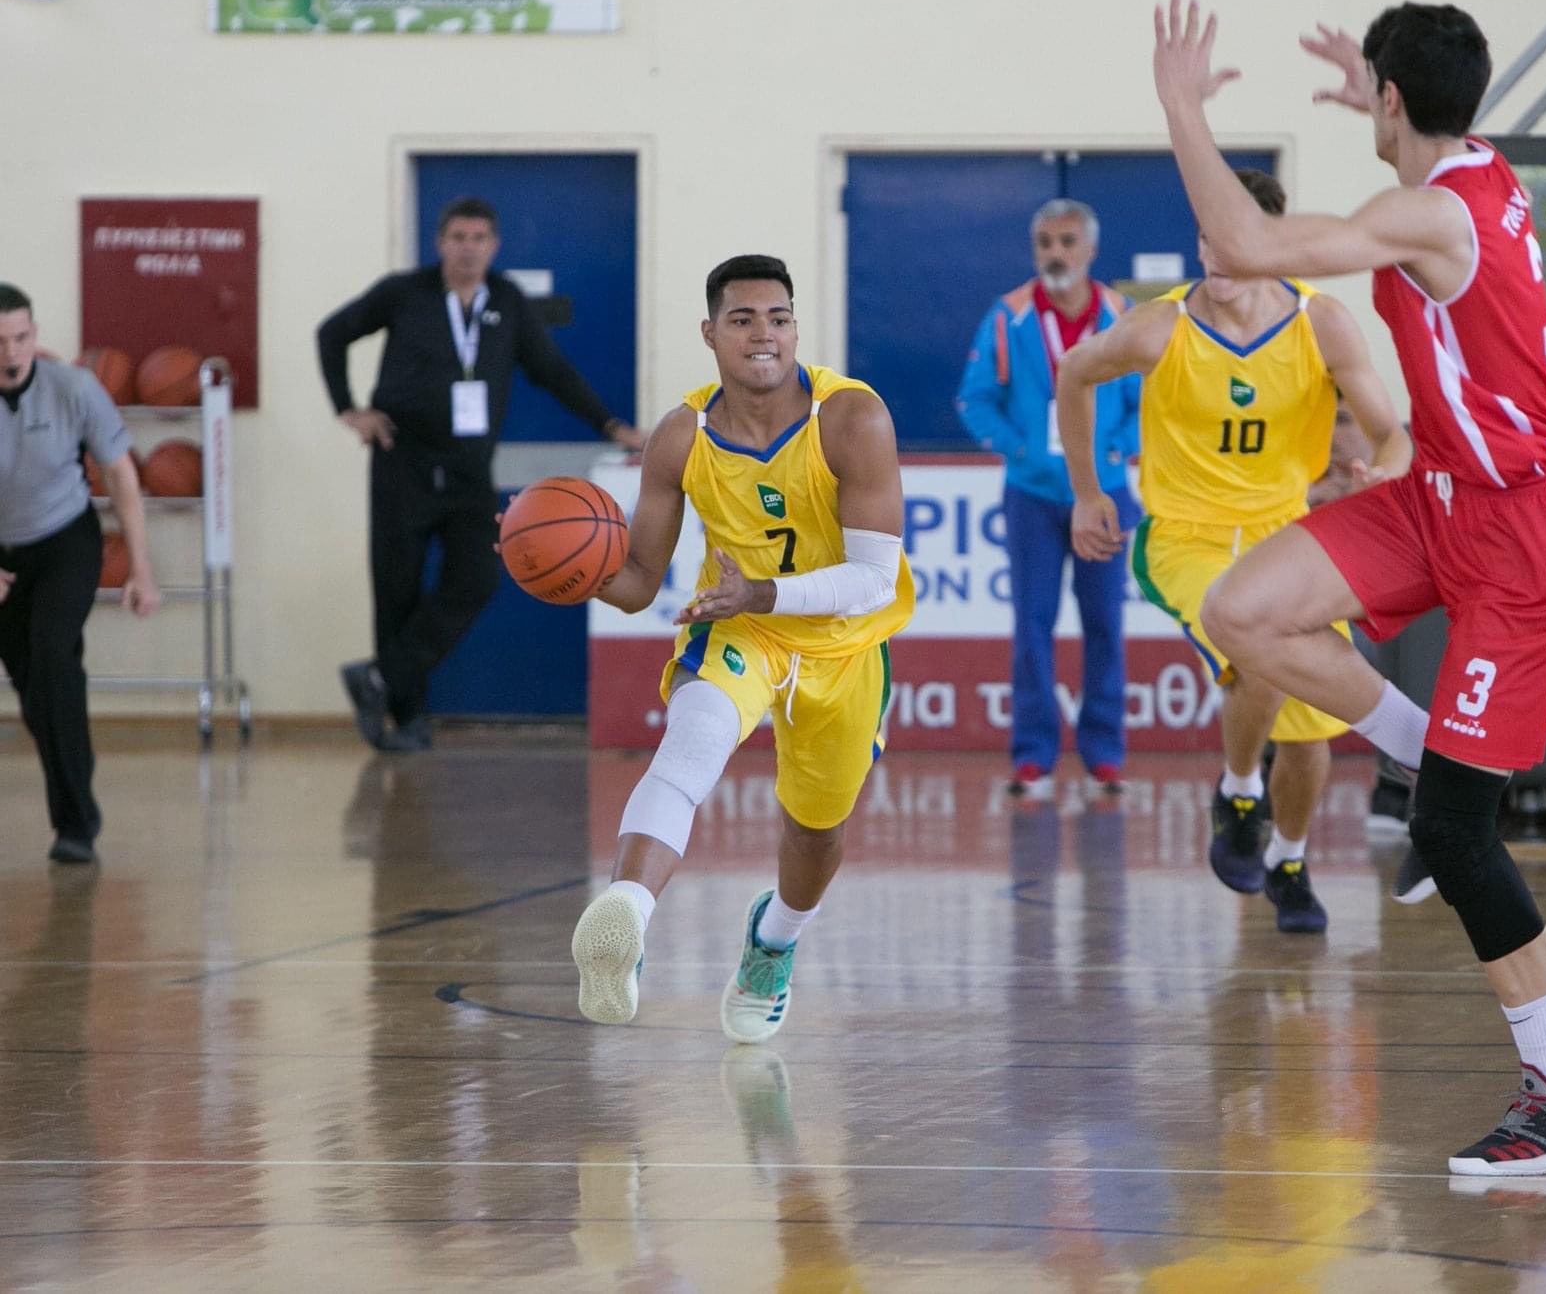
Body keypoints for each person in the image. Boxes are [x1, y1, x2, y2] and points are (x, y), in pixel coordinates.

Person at [1153, 0, 1546, 1174]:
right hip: (1443, 497)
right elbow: (1421, 156)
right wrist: (1380, 98)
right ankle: (1418, 744)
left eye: (1376, 90)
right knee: (1241, 612)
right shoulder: (1474, 170)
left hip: (1522, 536)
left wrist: (1179, 104)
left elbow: (1249, 247)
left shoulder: (1426, 213)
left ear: (1395, 102)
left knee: (1456, 840)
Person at [566, 255, 914, 1043]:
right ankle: (626, 913)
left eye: (778, 317)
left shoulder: (852, 418)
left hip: (842, 646)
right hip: (737, 627)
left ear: (796, 328)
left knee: (816, 830)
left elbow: (870, 578)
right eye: (743, 318)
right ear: (709, 333)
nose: (764, 333)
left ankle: (774, 941)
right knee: (688, 751)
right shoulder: (680, 435)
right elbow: (637, 578)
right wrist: (564, 572)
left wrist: (760, 590)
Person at [1056, 168, 1410, 934]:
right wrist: (1089, 491)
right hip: (1186, 538)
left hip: (1289, 535)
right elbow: (1074, 373)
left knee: (1315, 717)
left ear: (1269, 243)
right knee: (1258, 652)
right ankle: (1239, 787)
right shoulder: (1161, 325)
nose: (1215, 255)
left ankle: (1286, 856)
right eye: (1206, 237)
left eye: (1233, 239)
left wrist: (1386, 466)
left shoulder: (1323, 325)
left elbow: (1392, 427)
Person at [316, 196, 645, 751]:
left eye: (479, 238)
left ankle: (379, 678)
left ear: (494, 246)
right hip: (403, 462)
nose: (469, 248)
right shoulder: (404, 294)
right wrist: (350, 410)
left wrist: (612, 425)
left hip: (469, 471)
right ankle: (406, 717)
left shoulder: (508, 302)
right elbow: (332, 334)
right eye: (458, 237)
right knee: (394, 592)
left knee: (478, 577)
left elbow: (551, 371)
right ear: (440, 242)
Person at [956, 199, 1141, 798]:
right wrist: (1020, 450)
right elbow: (975, 399)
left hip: (1107, 494)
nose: (1055, 253)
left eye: (1066, 242)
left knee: (1105, 626)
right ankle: (1034, 755)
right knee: (1031, 627)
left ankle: (1104, 754)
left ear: (1090, 250)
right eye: (1044, 243)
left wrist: (1115, 448)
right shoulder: (1007, 316)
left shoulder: (1123, 316)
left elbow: (1155, 403)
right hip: (1033, 495)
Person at [0, 284, 162, 865]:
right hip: (4, 553)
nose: (10, 352)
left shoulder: (75, 389)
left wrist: (141, 569)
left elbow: (121, 477)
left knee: (51, 655)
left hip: (67, 541)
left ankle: (75, 825)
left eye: (20, 337)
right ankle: (66, 761)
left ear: (35, 337)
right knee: (35, 688)